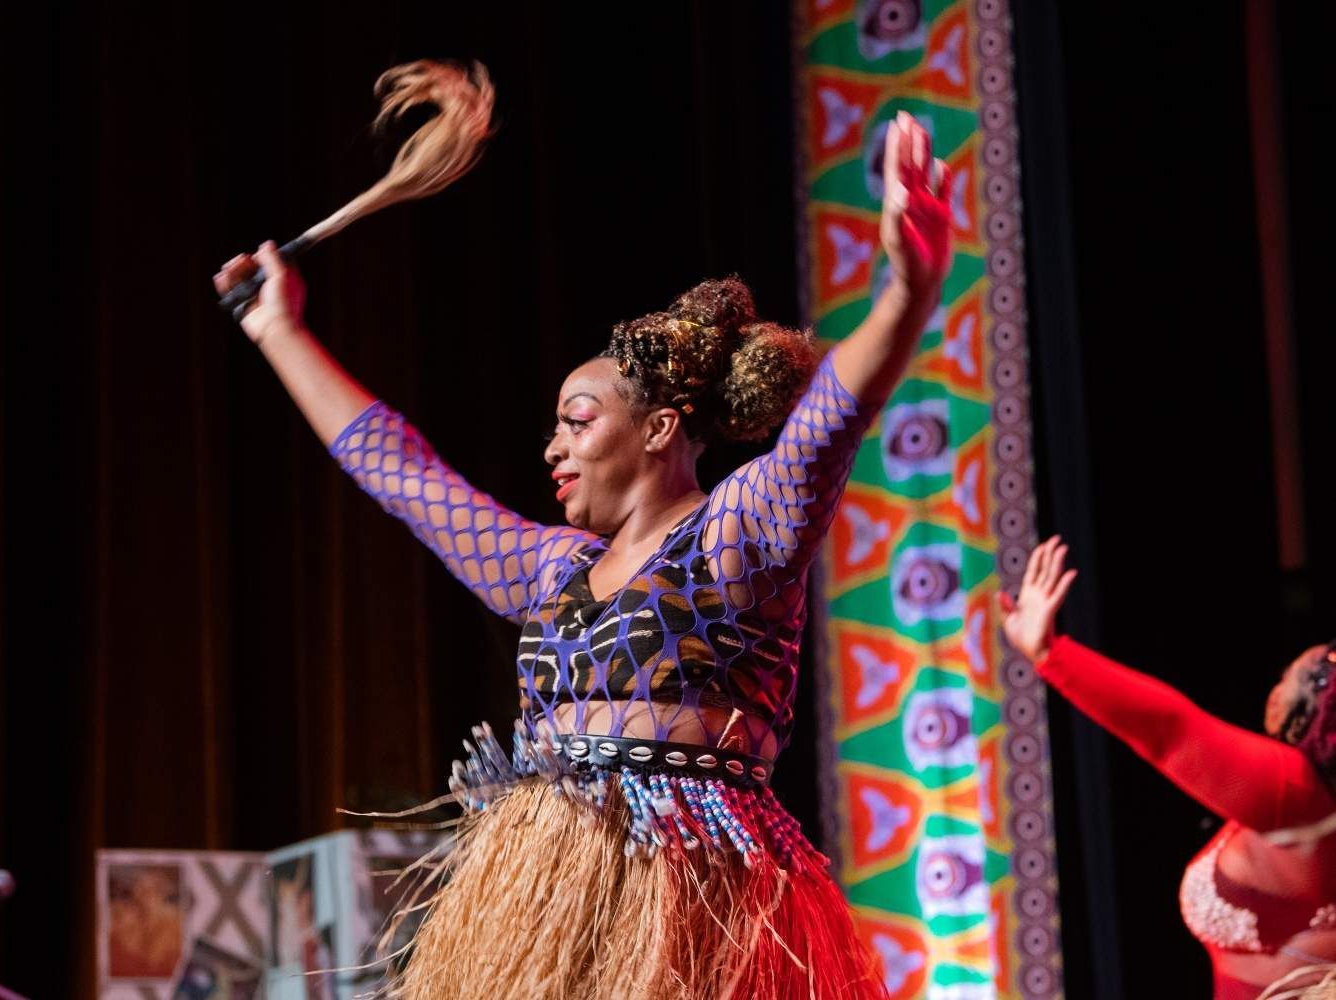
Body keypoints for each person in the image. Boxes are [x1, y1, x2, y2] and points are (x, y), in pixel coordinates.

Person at [213, 111, 953, 999]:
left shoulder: (730, 538)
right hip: (547, 903)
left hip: (696, 908)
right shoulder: (554, 569)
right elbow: (403, 475)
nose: (553, 449)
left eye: (578, 420)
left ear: (660, 429)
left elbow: (825, 424)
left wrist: (907, 290)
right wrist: (277, 331)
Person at [1001, 536, 1336, 1000]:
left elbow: (1170, 731)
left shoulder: (1295, 793)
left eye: (1287, 677)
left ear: (1314, 712)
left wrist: (1050, 655)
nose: (1275, 688)